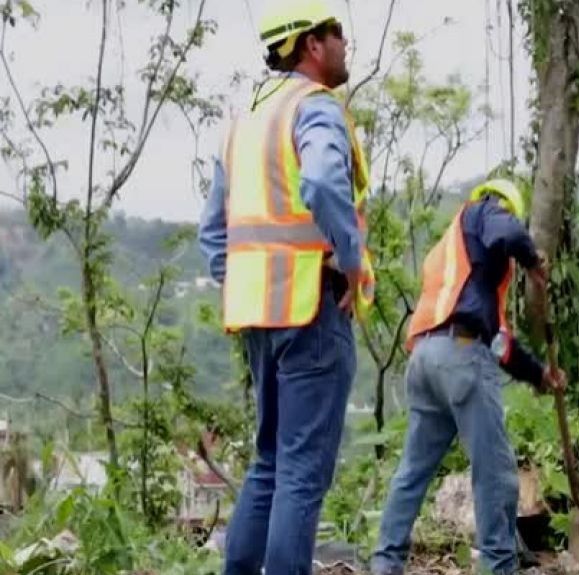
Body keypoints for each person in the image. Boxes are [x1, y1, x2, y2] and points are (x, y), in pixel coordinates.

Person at [197, 1, 374, 572]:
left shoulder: (244, 120)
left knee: (270, 462)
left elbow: (213, 233)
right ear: (310, 44)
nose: (345, 43)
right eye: (337, 33)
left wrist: (245, 287)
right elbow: (322, 182)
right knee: (301, 470)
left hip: (258, 315)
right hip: (310, 307)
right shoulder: (313, 107)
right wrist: (348, 261)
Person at [370, 179, 566, 575]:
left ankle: (385, 562)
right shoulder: (483, 213)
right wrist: (531, 261)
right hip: (460, 354)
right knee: (494, 471)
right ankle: (498, 566)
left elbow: (500, 343)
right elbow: (510, 232)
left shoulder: (455, 253)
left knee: (413, 470)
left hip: (426, 358)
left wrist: (540, 376)